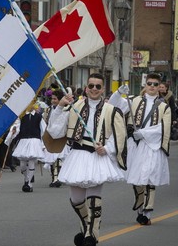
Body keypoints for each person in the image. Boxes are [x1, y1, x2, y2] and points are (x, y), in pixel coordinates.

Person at [46, 73, 127, 246]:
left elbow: (119, 135)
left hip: (97, 156)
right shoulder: (75, 106)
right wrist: (60, 107)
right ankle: (86, 224)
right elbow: (55, 131)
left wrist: (106, 148)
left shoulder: (111, 110)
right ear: (86, 87)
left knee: (93, 197)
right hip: (77, 155)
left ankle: (91, 234)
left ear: (103, 89)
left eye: (98, 86)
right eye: (91, 86)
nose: (94, 89)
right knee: (76, 199)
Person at [110, 73, 171, 226]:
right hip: (135, 145)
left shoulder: (164, 107)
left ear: (159, 87)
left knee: (150, 178)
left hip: (152, 145)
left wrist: (143, 133)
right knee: (137, 178)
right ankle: (140, 207)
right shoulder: (133, 101)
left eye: (155, 84)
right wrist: (118, 93)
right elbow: (113, 105)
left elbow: (163, 128)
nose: (152, 86)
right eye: (149, 83)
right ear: (145, 85)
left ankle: (147, 213)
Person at [7, 103, 45, 192]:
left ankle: (28, 184)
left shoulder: (39, 117)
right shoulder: (21, 116)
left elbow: (43, 130)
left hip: (34, 141)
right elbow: (16, 127)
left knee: (32, 161)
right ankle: (27, 177)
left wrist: (43, 144)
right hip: (23, 141)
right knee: (22, 165)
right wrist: (13, 131)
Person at [41, 89, 65, 188]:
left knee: (59, 157)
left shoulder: (65, 109)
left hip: (62, 136)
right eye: (52, 99)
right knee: (51, 158)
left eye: (55, 99)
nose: (53, 101)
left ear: (60, 100)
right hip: (50, 135)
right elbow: (44, 122)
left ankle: (57, 178)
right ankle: (54, 177)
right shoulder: (48, 110)